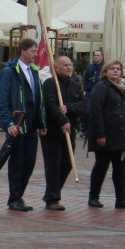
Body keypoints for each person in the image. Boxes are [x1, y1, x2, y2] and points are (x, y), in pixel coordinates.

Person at [0, 37, 47, 211]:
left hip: (31, 124)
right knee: (17, 162)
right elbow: (3, 99)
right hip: (18, 124)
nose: (35, 54)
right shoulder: (10, 71)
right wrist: (8, 122)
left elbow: (38, 98)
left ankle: (19, 195)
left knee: (29, 161)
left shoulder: (33, 71)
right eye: (33, 51)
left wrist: (42, 122)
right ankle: (14, 197)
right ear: (23, 51)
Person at [86, 60, 125, 210]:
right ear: (105, 72)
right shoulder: (101, 87)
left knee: (120, 167)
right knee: (101, 166)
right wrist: (100, 133)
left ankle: (121, 199)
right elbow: (96, 111)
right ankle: (93, 197)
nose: (115, 71)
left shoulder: (124, 88)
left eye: (118, 69)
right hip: (106, 134)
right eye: (112, 69)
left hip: (123, 135)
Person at [40, 55, 87, 210]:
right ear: (56, 68)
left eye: (70, 65)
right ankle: (53, 199)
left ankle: (51, 193)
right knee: (53, 165)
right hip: (53, 132)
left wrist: (69, 108)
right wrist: (62, 120)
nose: (69, 67)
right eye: (65, 65)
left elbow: (83, 105)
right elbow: (50, 105)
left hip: (69, 131)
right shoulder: (50, 84)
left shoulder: (74, 85)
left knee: (67, 164)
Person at [81, 50, 104, 138]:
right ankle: (86, 130)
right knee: (87, 112)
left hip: (100, 93)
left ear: (102, 57)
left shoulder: (104, 67)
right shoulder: (89, 67)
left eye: (98, 55)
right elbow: (85, 79)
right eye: (94, 55)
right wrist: (87, 88)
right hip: (90, 92)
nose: (96, 57)